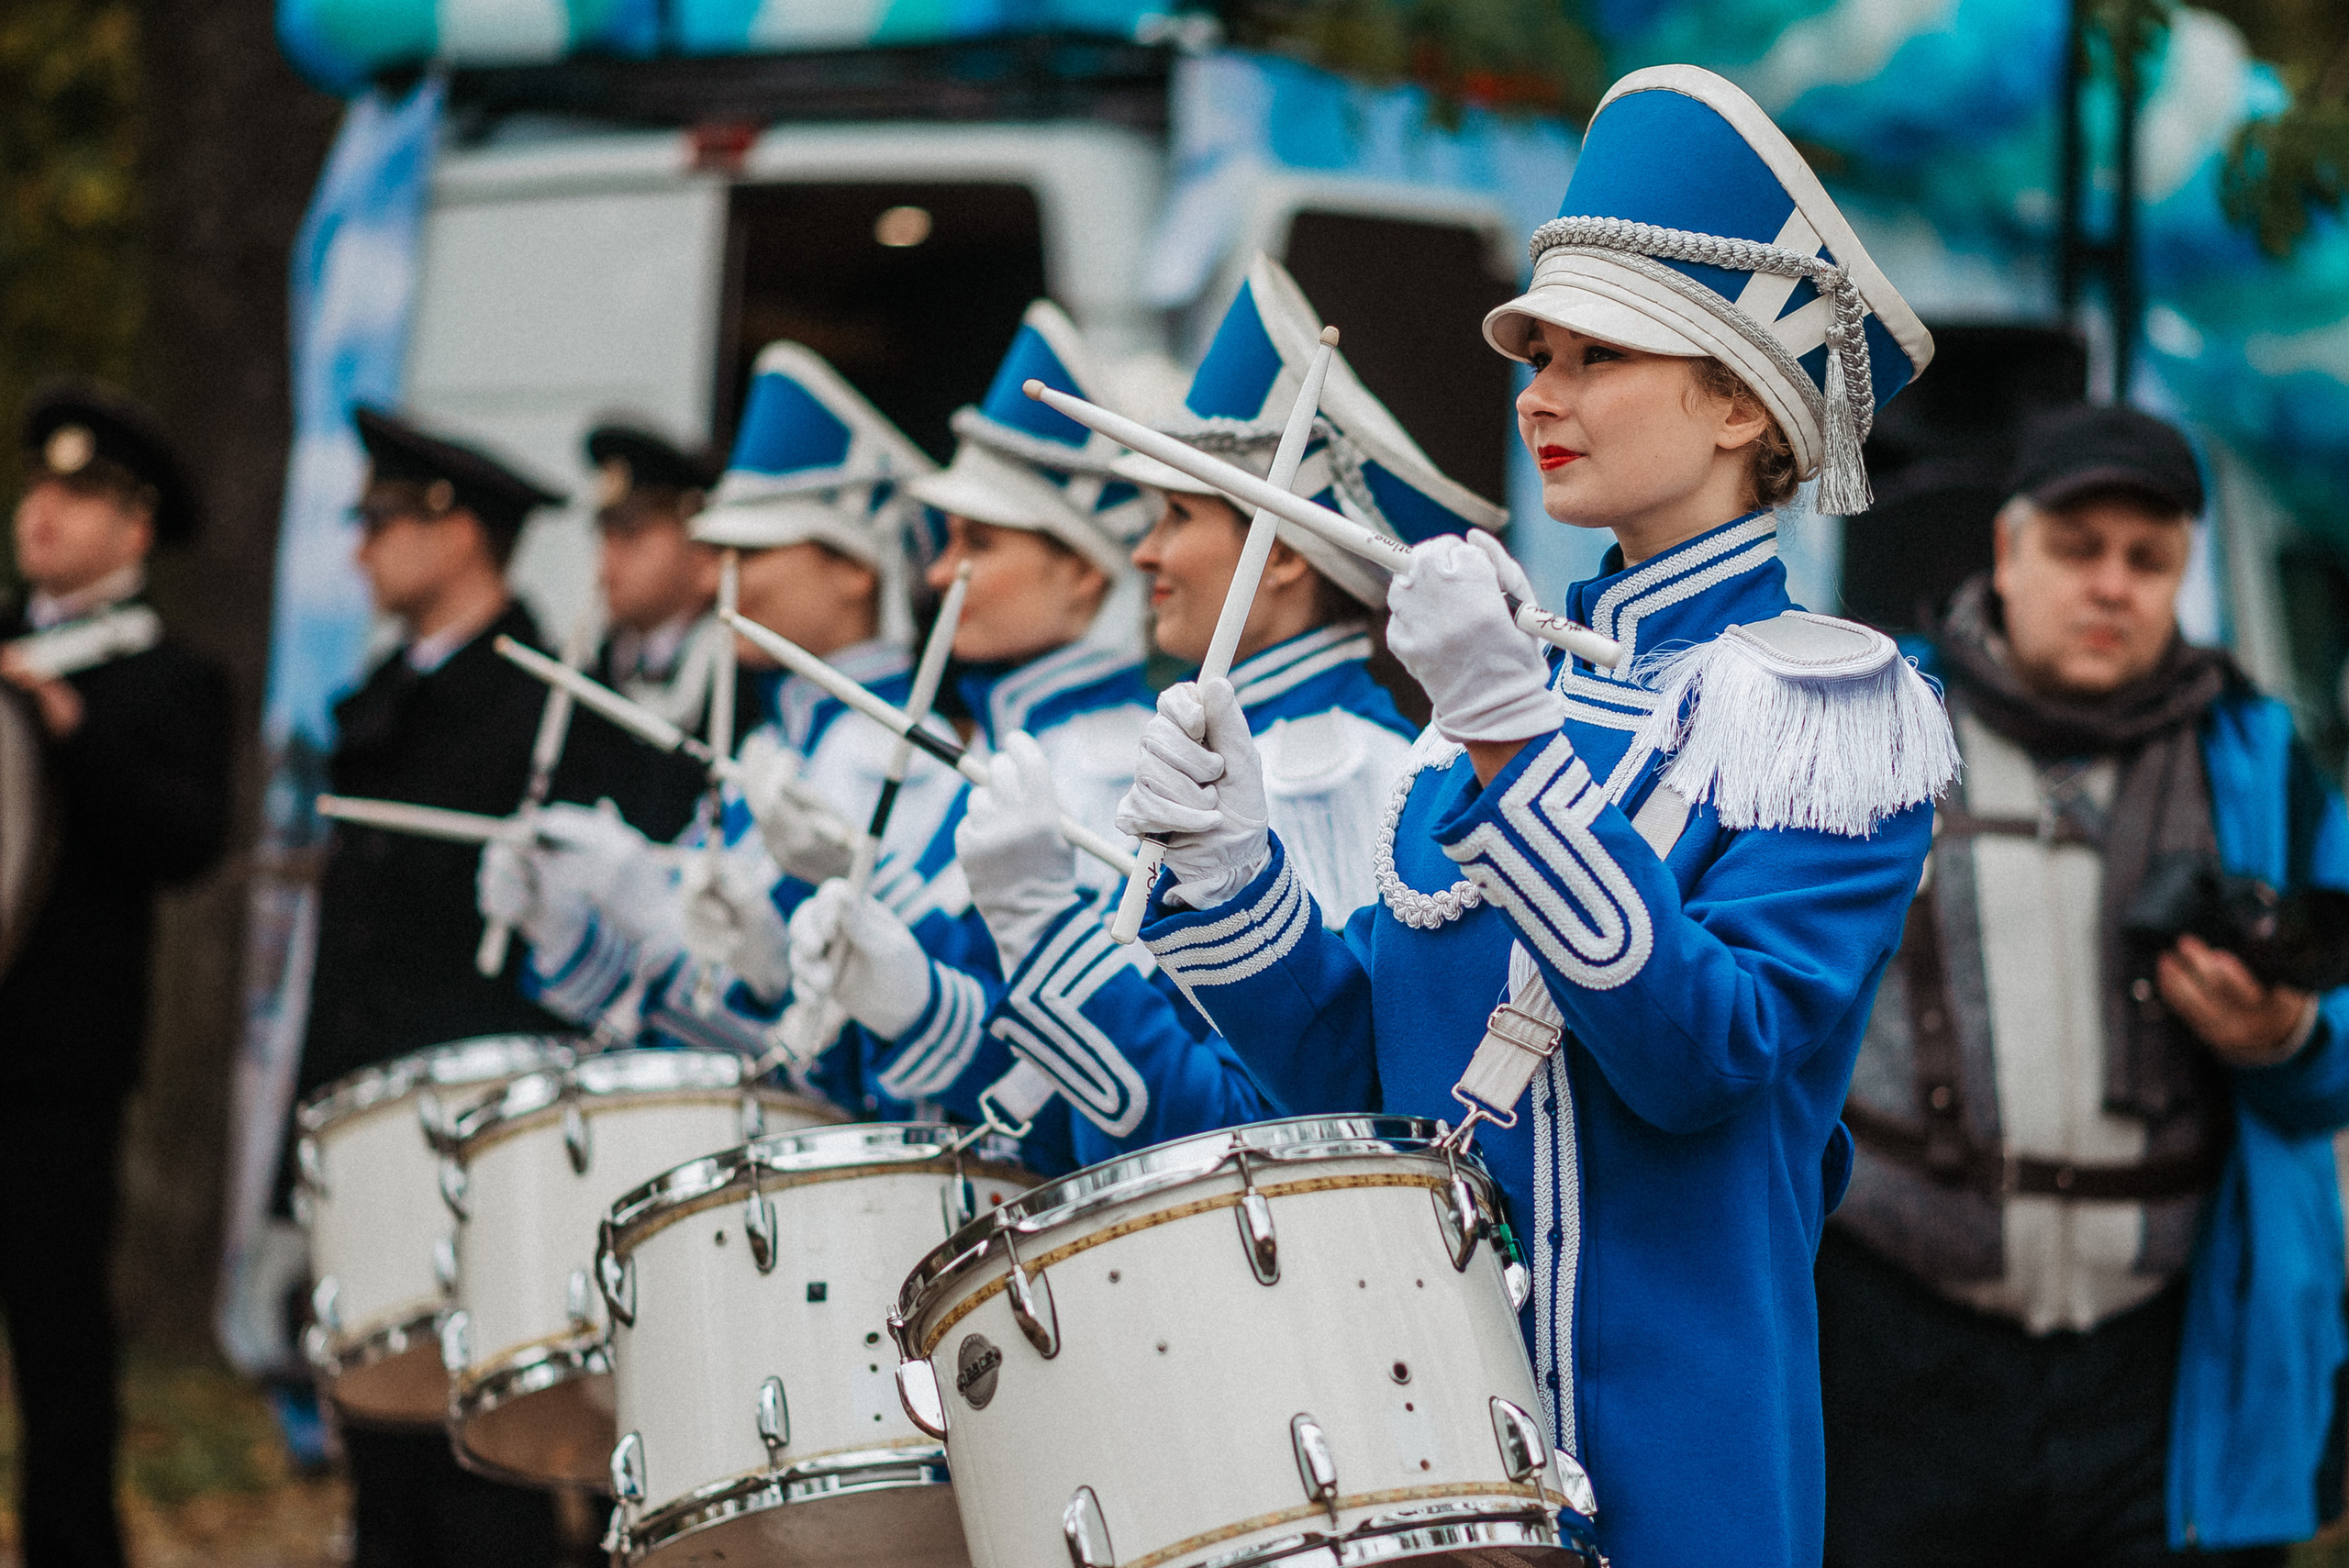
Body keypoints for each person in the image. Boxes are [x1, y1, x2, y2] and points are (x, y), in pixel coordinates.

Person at [1115, 65, 1950, 1568]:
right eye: (1536, 353)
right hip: (1418, 1458)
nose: (1538, 395)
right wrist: (1232, 872)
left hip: (1680, 1464)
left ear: (1741, 402)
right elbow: (1361, 1083)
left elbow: (1706, 1057)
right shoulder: (1496, 704)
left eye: (1596, 355)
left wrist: (1509, 734)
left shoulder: (1829, 712)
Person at [807, 255, 1502, 1162]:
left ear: (1282, 555)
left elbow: (1254, 1141)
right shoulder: (1215, 753)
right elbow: (1052, 1125)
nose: (1144, 553)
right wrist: (911, 1001)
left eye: (1175, 515)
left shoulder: (1345, 773)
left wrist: (1036, 936)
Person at [1822, 404, 2349, 1567]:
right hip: (1889, 1349)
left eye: (2148, 559)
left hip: (2155, 1367)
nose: (2111, 584)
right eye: (2078, 548)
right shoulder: (1869, 720)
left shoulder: (2258, 760)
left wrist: (2285, 1033)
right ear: (2006, 552)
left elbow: (2335, 1065)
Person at [489, 342, 956, 1080]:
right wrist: (567, 928)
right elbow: (692, 1019)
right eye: (723, 552)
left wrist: (650, 911)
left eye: (755, 552)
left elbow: (831, 1062)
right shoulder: (780, 742)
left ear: (854, 572)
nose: (727, 578)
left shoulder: (887, 757)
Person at [779, 298, 1183, 1140]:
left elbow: (1083, 1087)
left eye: (978, 543)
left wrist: (915, 992)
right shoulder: (1017, 745)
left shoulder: (1119, 769)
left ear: (1086, 575)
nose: (940, 574)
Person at [298, 404, 568, 1568]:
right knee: (387, 1483)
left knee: (486, 1477)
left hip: (484, 1158)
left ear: (458, 534)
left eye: (382, 522)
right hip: (366, 1144)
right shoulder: (379, 705)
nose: (360, 549)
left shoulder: (546, 712)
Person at [0, 381, 231, 1568]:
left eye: (76, 495)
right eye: (40, 484)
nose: (41, 510)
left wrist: (73, 729)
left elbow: (186, 841)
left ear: (134, 530)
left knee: (58, 1343)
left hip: (55, 1066)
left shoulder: (165, 682)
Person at [547, 422, 744, 842]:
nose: (606, 563)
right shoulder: (588, 677)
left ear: (705, 549)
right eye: (604, 536)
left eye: (632, 535)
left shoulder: (741, 675)